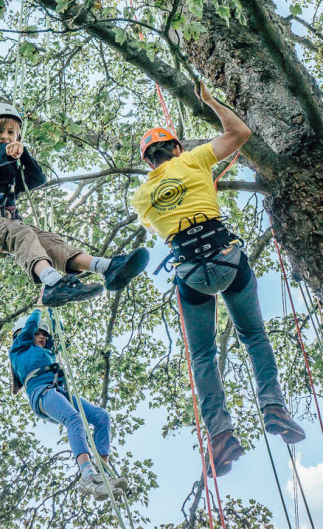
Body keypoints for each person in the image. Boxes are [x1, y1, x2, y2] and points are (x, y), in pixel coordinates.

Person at [131, 83, 305, 477]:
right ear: (175, 148)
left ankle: (221, 435)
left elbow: (159, 218)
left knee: (204, 356)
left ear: (148, 162)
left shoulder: (141, 196)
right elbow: (239, 135)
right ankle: (274, 406)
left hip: (191, 274)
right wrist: (210, 101)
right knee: (254, 336)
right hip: (228, 259)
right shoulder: (192, 161)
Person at [0, 103, 149, 307]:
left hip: (5, 224)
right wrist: (7, 150)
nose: (4, 136)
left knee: (50, 241)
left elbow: (37, 178)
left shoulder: (11, 173)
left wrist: (22, 154)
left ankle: (107, 267)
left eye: (10, 133)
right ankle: (52, 283)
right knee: (22, 234)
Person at [9, 291, 128, 500]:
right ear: (23, 335)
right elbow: (29, 328)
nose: (42, 337)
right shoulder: (18, 350)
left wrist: (54, 307)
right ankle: (87, 474)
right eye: (39, 334)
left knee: (102, 417)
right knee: (74, 419)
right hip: (41, 393)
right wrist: (40, 305)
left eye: (44, 335)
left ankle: (102, 470)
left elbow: (58, 333)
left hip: (60, 391)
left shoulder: (47, 350)